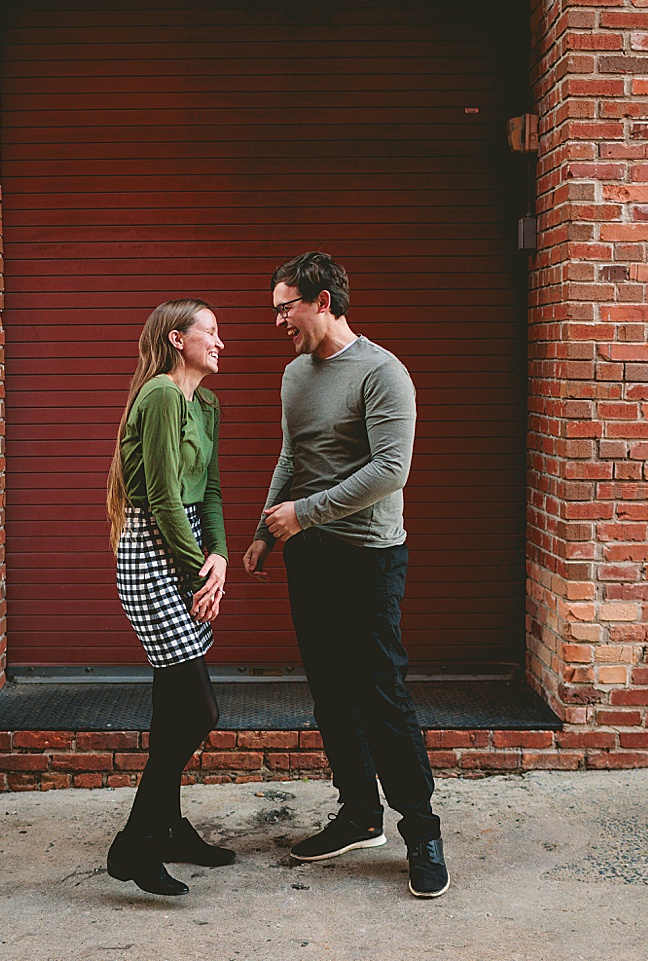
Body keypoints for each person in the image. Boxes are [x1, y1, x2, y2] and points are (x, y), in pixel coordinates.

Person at [242, 252, 449, 898]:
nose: (279, 320)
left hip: (368, 555)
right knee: (330, 691)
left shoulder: (383, 374)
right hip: (310, 554)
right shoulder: (294, 375)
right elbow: (293, 454)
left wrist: (303, 513)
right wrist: (263, 532)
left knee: (381, 693)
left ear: (323, 300)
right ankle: (360, 812)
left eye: (286, 307)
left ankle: (421, 828)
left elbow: (391, 469)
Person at [105, 299, 235, 896]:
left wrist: (220, 561)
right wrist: (194, 572)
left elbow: (207, 493)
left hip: (186, 555)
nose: (220, 341)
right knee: (198, 711)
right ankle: (138, 841)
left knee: (170, 708)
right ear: (178, 339)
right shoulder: (159, 396)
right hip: (152, 557)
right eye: (210, 331)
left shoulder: (204, 404)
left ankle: (172, 827)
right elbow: (160, 500)